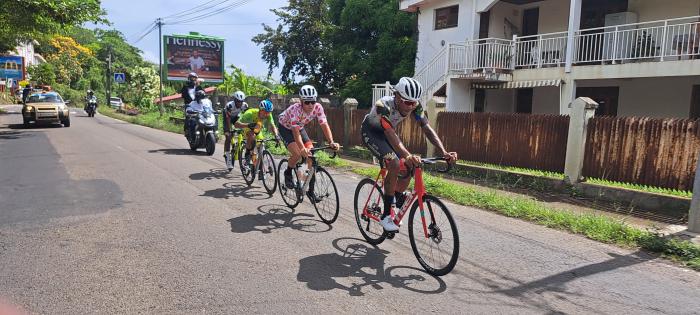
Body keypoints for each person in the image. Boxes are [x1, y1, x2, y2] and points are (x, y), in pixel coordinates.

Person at [361, 77, 457, 232]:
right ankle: (386, 216)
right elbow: (391, 133)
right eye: (407, 102)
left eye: (414, 103)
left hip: (387, 134)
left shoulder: (415, 106)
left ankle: (396, 197)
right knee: (394, 163)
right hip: (371, 133)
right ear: (397, 96)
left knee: (410, 165)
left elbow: (427, 129)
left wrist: (444, 151)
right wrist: (407, 155)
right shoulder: (383, 105)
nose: (410, 107)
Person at [277, 85, 340, 201]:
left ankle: (310, 191)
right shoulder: (295, 109)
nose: (310, 105)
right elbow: (295, 133)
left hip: (299, 127)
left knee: (312, 157)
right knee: (297, 154)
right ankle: (288, 172)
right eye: (307, 102)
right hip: (285, 128)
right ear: (301, 101)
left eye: (313, 101)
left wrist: (331, 142)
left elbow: (324, 125)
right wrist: (302, 149)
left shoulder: (318, 107)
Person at [234, 100, 281, 179]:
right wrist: (248, 125)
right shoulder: (249, 113)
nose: (267, 114)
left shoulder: (268, 115)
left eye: (269, 112)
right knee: (251, 136)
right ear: (260, 109)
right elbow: (236, 124)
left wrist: (276, 136)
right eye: (265, 112)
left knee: (261, 146)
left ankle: (260, 170)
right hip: (247, 127)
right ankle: (247, 155)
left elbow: (273, 126)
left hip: (257, 128)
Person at [223, 90, 249, 171]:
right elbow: (228, 119)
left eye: (241, 101)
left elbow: (246, 117)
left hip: (237, 117)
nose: (239, 103)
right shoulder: (229, 106)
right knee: (228, 136)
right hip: (228, 118)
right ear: (234, 100)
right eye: (238, 101)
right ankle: (227, 157)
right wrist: (229, 130)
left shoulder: (245, 106)